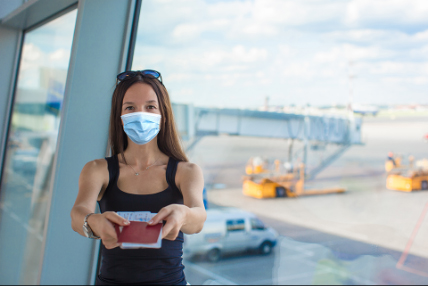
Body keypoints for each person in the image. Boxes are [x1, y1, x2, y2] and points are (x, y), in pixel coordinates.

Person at [70, 70, 206, 285]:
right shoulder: (97, 169)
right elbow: (77, 215)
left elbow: (198, 220)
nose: (141, 114)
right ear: (120, 116)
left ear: (164, 114)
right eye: (130, 107)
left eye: (150, 107)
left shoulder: (186, 171)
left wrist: (183, 214)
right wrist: (93, 220)